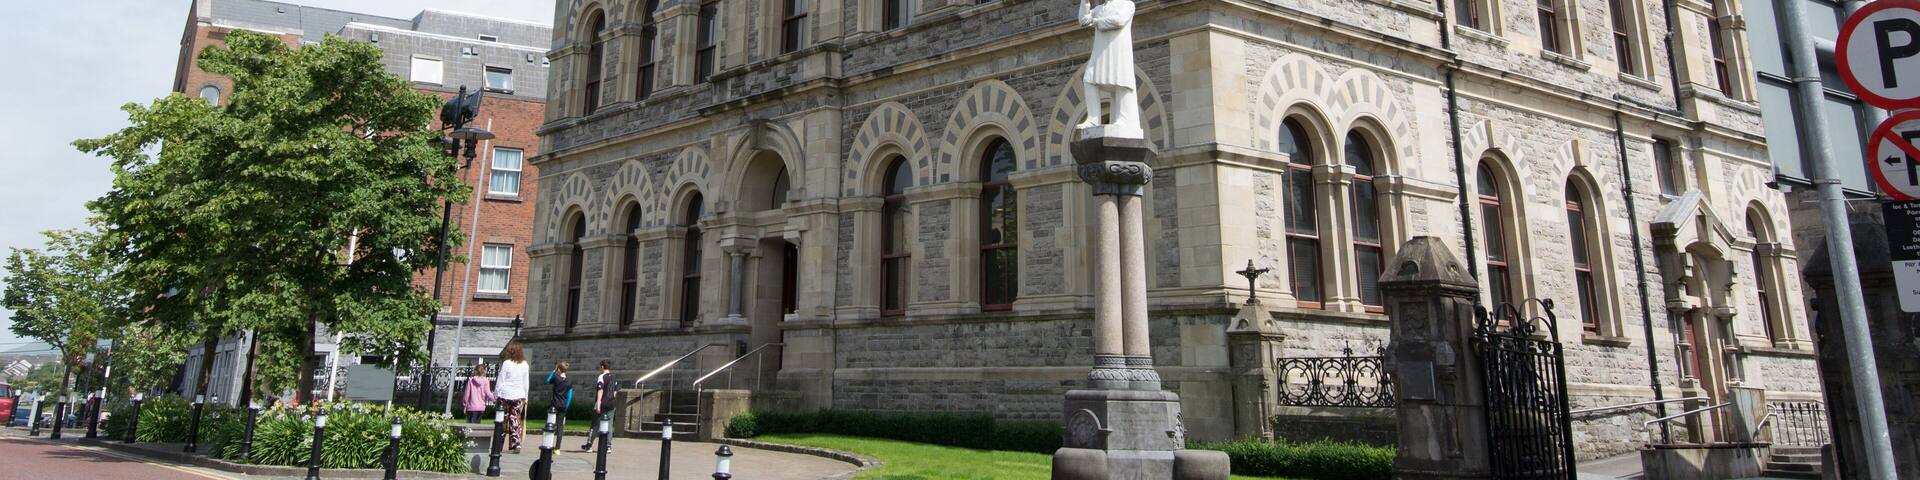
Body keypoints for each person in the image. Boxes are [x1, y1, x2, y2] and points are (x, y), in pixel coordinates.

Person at [494, 342, 531, 453]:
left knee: (502, 420)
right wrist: (526, 396)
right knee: (515, 419)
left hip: (505, 395)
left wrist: (496, 394)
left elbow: (501, 380)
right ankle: (515, 444)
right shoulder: (524, 364)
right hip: (519, 395)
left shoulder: (506, 363)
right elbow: (526, 382)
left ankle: (498, 444)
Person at [580, 360, 615, 452]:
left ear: (602, 367)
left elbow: (600, 389)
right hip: (611, 403)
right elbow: (615, 391)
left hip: (602, 403)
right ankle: (608, 446)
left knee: (595, 424)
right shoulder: (614, 377)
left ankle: (589, 444)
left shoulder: (601, 376)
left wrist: (598, 403)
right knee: (609, 424)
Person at [545, 361, 574, 442]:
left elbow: (548, 380)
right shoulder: (569, 381)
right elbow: (570, 396)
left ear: (559, 369)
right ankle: (558, 446)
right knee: (560, 426)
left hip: (554, 405)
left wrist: (553, 371)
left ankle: (548, 442)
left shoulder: (556, 378)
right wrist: (566, 406)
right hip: (563, 405)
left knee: (550, 423)